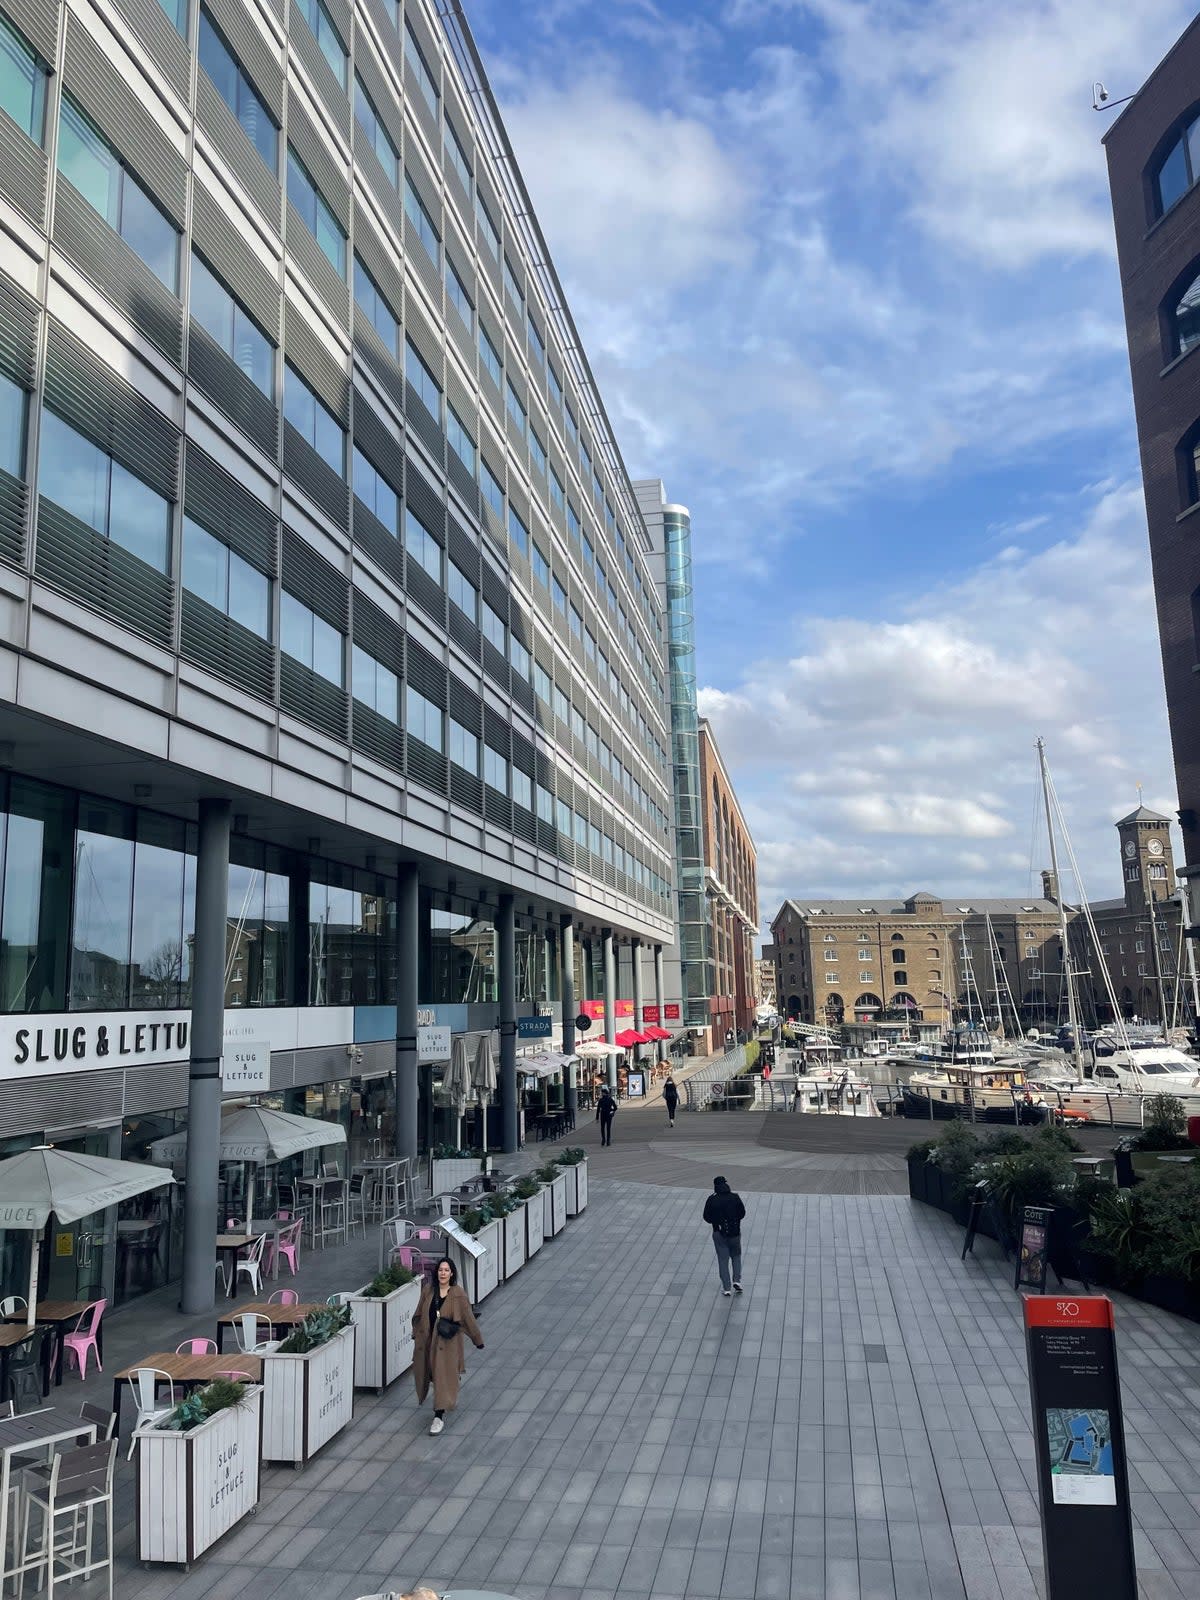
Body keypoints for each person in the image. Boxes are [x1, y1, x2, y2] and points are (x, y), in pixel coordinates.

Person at [412, 1257, 484, 1435]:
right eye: (440, 1270)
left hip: (447, 1345)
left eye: (446, 1270)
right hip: (428, 1342)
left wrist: (477, 1340)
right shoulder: (428, 1290)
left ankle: (438, 1416)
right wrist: (416, 1333)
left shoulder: (458, 1294)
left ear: (452, 1273)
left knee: (441, 1378)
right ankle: (451, 1381)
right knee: (429, 1373)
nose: (443, 1273)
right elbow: (419, 1314)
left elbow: (468, 1319)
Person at [703, 1175, 746, 1296]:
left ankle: (727, 1288)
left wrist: (716, 1222)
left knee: (723, 1260)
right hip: (735, 1233)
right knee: (736, 1257)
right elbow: (742, 1213)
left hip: (719, 1234)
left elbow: (706, 1217)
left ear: (715, 1186)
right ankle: (737, 1280)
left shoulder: (712, 1199)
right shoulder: (735, 1197)